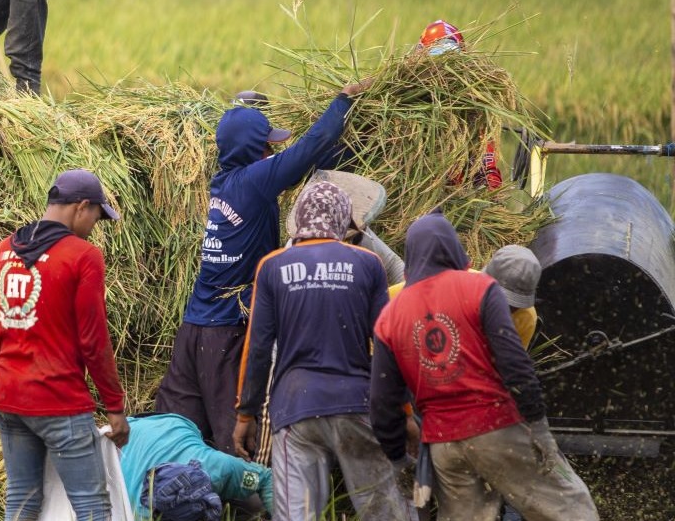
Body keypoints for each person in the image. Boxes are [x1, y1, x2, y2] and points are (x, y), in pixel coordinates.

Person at [153, 80, 368, 454]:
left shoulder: (224, 183)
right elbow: (309, 147)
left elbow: (303, 163)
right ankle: (248, 506)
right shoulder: (253, 182)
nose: (274, 146)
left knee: (177, 433)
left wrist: (340, 154)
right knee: (234, 441)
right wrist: (343, 101)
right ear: (255, 148)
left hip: (194, 328)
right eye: (269, 141)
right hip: (226, 333)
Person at [369, 212, 598, 521]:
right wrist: (539, 427)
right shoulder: (480, 289)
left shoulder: (389, 313)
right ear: (455, 249)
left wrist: (397, 456)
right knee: (571, 507)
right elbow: (515, 366)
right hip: (493, 426)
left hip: (442, 444)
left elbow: (382, 399)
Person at [233, 181, 410, 521]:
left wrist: (246, 414)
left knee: (299, 515)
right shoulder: (368, 263)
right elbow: (389, 344)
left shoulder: (272, 266)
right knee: (384, 512)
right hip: (358, 403)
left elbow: (257, 349)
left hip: (295, 410)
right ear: (343, 220)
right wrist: (402, 409)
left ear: (299, 218)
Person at [0, 168, 130, 521]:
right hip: (58, 400)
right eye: (96, 215)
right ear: (82, 206)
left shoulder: (3, 250)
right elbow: (93, 341)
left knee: (21, 498)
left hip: (9, 395)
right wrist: (114, 406)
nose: (95, 224)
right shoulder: (83, 256)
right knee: (92, 506)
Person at [120, 412, 273, 520]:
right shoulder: (134, 513)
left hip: (171, 423)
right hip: (127, 434)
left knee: (254, 505)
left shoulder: (218, 467)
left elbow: (267, 478)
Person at [417, 20, 502, 190]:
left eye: (450, 61)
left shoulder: (475, 109)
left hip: (456, 196)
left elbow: (488, 170)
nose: (443, 70)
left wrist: (490, 196)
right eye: (436, 58)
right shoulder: (408, 100)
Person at [483, 244, 541, 349]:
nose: (503, 309)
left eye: (512, 305)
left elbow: (509, 360)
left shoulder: (525, 318)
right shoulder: (458, 285)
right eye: (497, 298)